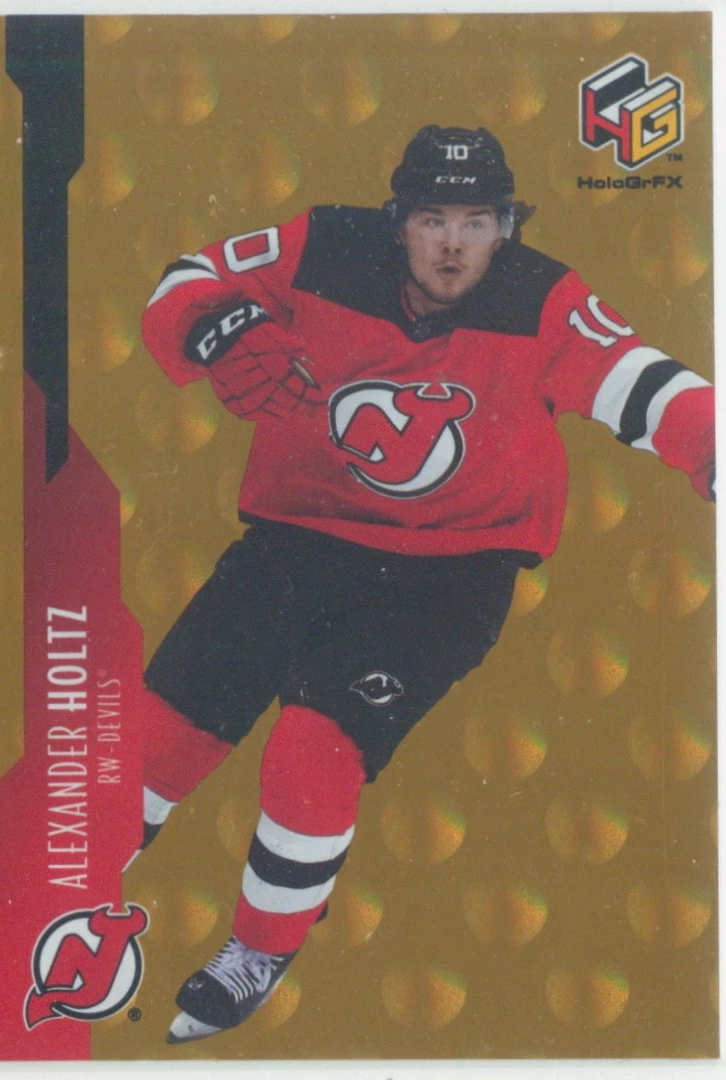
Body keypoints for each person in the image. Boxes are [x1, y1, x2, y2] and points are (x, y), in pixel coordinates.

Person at [138, 126, 715, 1043]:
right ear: (397, 219)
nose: (453, 244)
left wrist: (710, 444)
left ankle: (259, 949)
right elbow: (186, 279)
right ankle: (61, 886)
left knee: (311, 753)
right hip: (294, 543)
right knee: (155, 739)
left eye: (476, 222)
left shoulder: (542, 298)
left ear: (505, 228)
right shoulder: (321, 245)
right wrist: (216, 327)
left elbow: (638, 380)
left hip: (447, 576)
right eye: (433, 219)